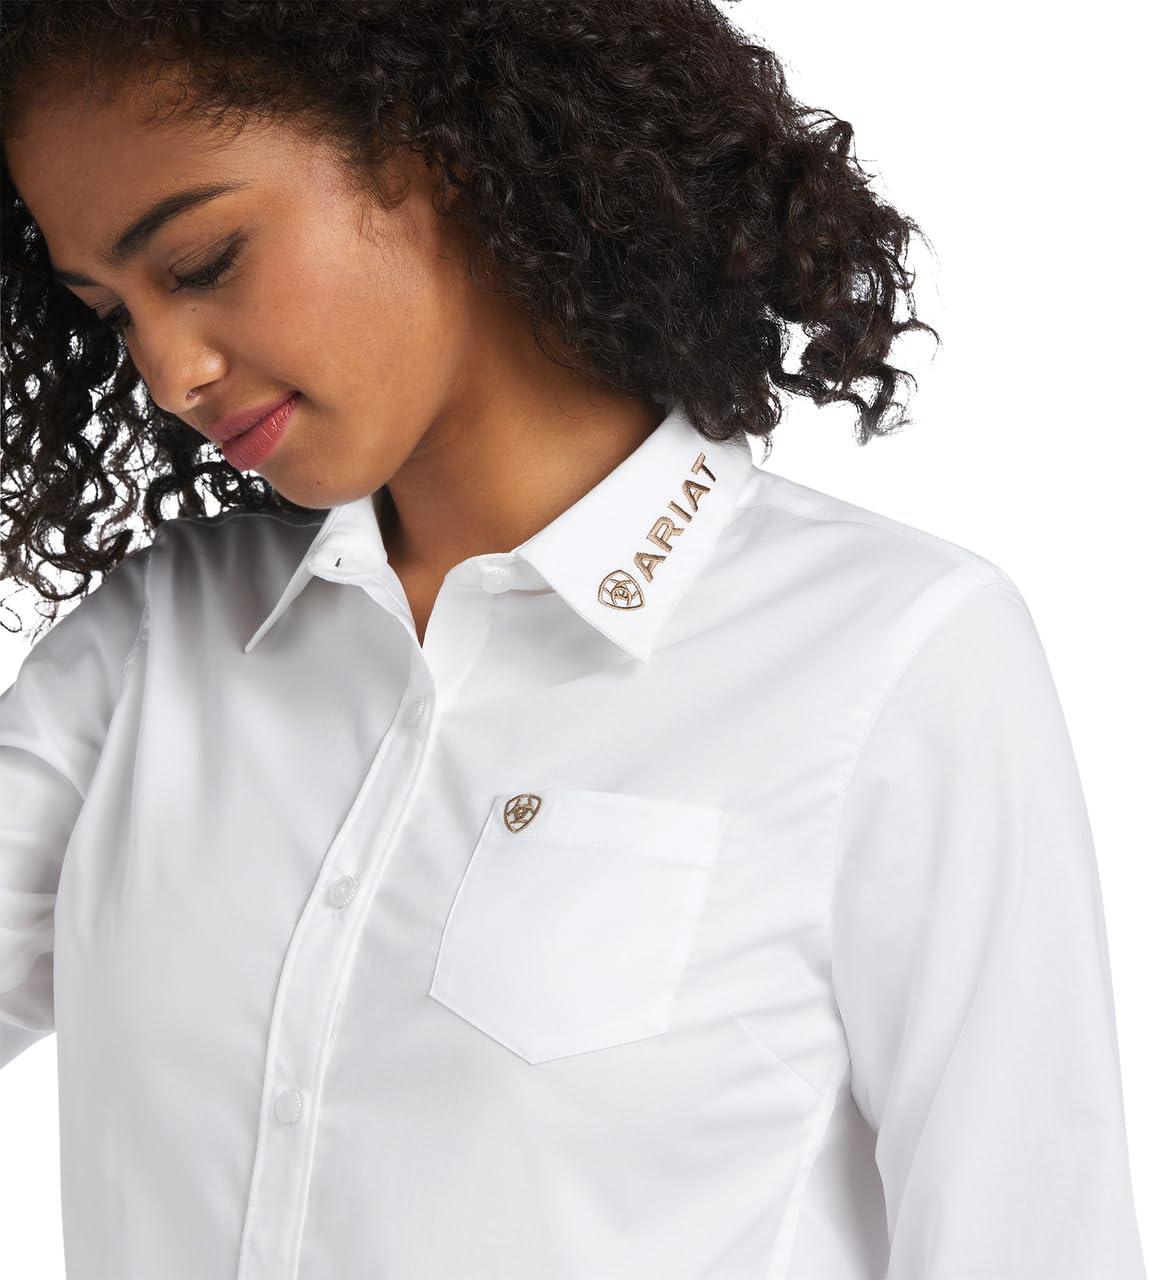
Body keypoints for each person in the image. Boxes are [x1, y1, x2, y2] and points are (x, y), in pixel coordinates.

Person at [0, 3, 1144, 1277]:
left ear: (432, 142)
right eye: (108, 312)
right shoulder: (151, 650)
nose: (167, 371)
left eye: (202, 262)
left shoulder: (893, 656)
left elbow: (1035, 1237)